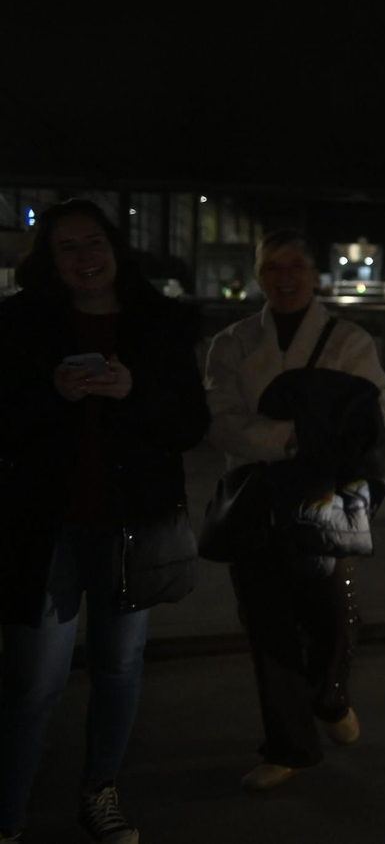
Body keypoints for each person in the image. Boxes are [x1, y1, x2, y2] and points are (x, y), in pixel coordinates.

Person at [0, 200, 210, 844]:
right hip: (47, 525)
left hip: (130, 525)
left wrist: (134, 393)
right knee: (35, 681)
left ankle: (100, 792)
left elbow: (190, 426)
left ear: (115, 248)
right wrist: (51, 393)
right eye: (67, 247)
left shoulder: (161, 325)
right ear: (49, 259)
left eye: (94, 242)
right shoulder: (21, 323)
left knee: (120, 665)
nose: (84, 257)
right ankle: (7, 814)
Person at [203, 230, 385, 792]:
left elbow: (374, 409)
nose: (284, 278)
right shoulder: (232, 342)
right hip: (256, 491)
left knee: (331, 610)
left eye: (295, 266)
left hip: (326, 487)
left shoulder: (349, 338)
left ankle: (329, 695)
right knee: (266, 620)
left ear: (313, 275)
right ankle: (290, 744)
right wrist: (293, 437)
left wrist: (290, 438)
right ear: (259, 276)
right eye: (272, 268)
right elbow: (218, 418)